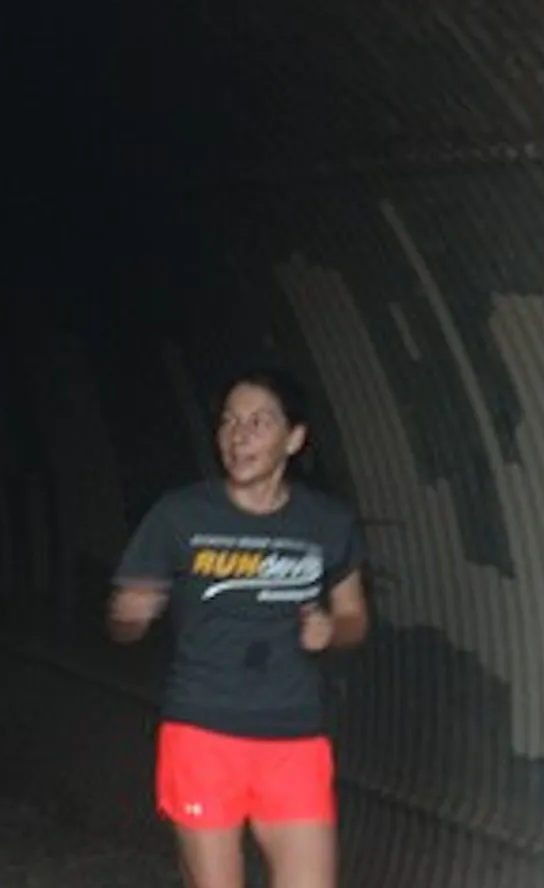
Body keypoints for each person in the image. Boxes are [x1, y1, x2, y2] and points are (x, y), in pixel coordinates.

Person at [108, 367, 370, 888]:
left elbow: (354, 618)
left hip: (294, 735)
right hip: (202, 730)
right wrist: (129, 615)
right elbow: (122, 625)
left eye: (258, 422)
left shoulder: (327, 523)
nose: (238, 436)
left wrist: (331, 631)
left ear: (293, 439)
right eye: (229, 421)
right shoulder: (179, 516)